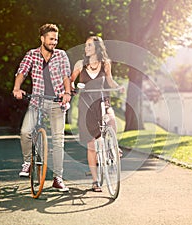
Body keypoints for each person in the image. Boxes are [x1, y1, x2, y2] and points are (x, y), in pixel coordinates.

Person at [13, 23, 71, 192]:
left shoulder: (61, 55)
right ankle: (27, 162)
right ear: (42, 39)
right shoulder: (32, 54)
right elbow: (22, 71)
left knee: (58, 140)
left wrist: (67, 92)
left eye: (56, 39)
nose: (54, 42)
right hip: (37, 101)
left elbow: (66, 75)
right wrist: (17, 88)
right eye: (51, 39)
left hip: (56, 102)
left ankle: (58, 178)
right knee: (25, 132)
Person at [70, 36, 123, 192]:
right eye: (85, 45)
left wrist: (118, 87)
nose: (86, 48)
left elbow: (110, 81)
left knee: (111, 118)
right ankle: (95, 181)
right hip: (86, 105)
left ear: (97, 47)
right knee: (91, 145)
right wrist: (73, 88)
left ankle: (113, 147)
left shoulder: (106, 63)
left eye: (89, 45)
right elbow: (71, 80)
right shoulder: (80, 64)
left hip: (101, 99)